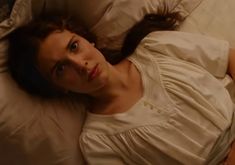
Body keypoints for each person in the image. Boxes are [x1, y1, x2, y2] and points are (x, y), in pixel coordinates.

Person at [7, 9, 235, 165]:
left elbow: (230, 58)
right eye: (61, 69)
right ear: (57, 88)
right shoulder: (98, 142)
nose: (80, 64)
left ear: (87, 39)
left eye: (74, 46)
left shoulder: (156, 47)